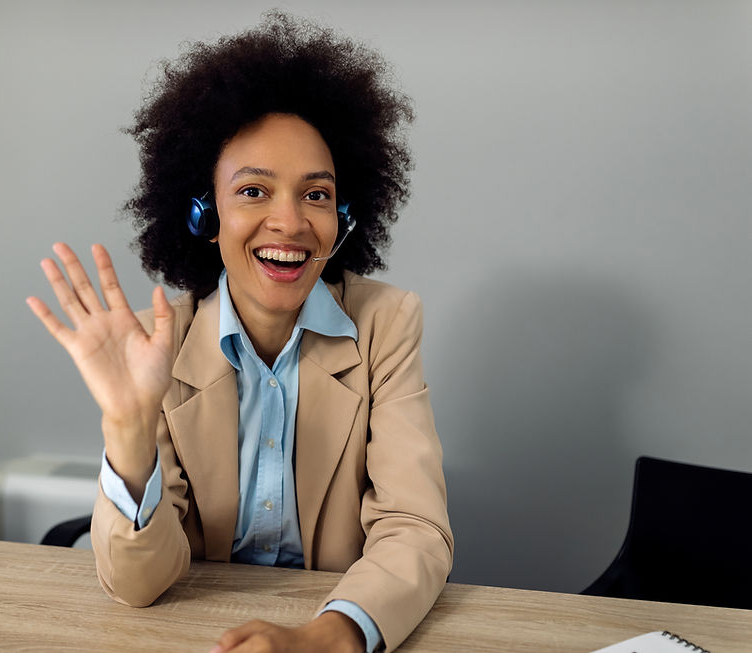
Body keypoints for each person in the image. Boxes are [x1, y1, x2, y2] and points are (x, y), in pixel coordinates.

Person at [26, 12, 453, 653]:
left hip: (332, 624)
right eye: (254, 190)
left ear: (342, 217)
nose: (290, 222)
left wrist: (328, 637)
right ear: (205, 213)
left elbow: (415, 528)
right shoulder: (156, 345)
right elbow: (138, 586)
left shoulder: (385, 325)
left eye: (317, 195)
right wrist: (128, 429)